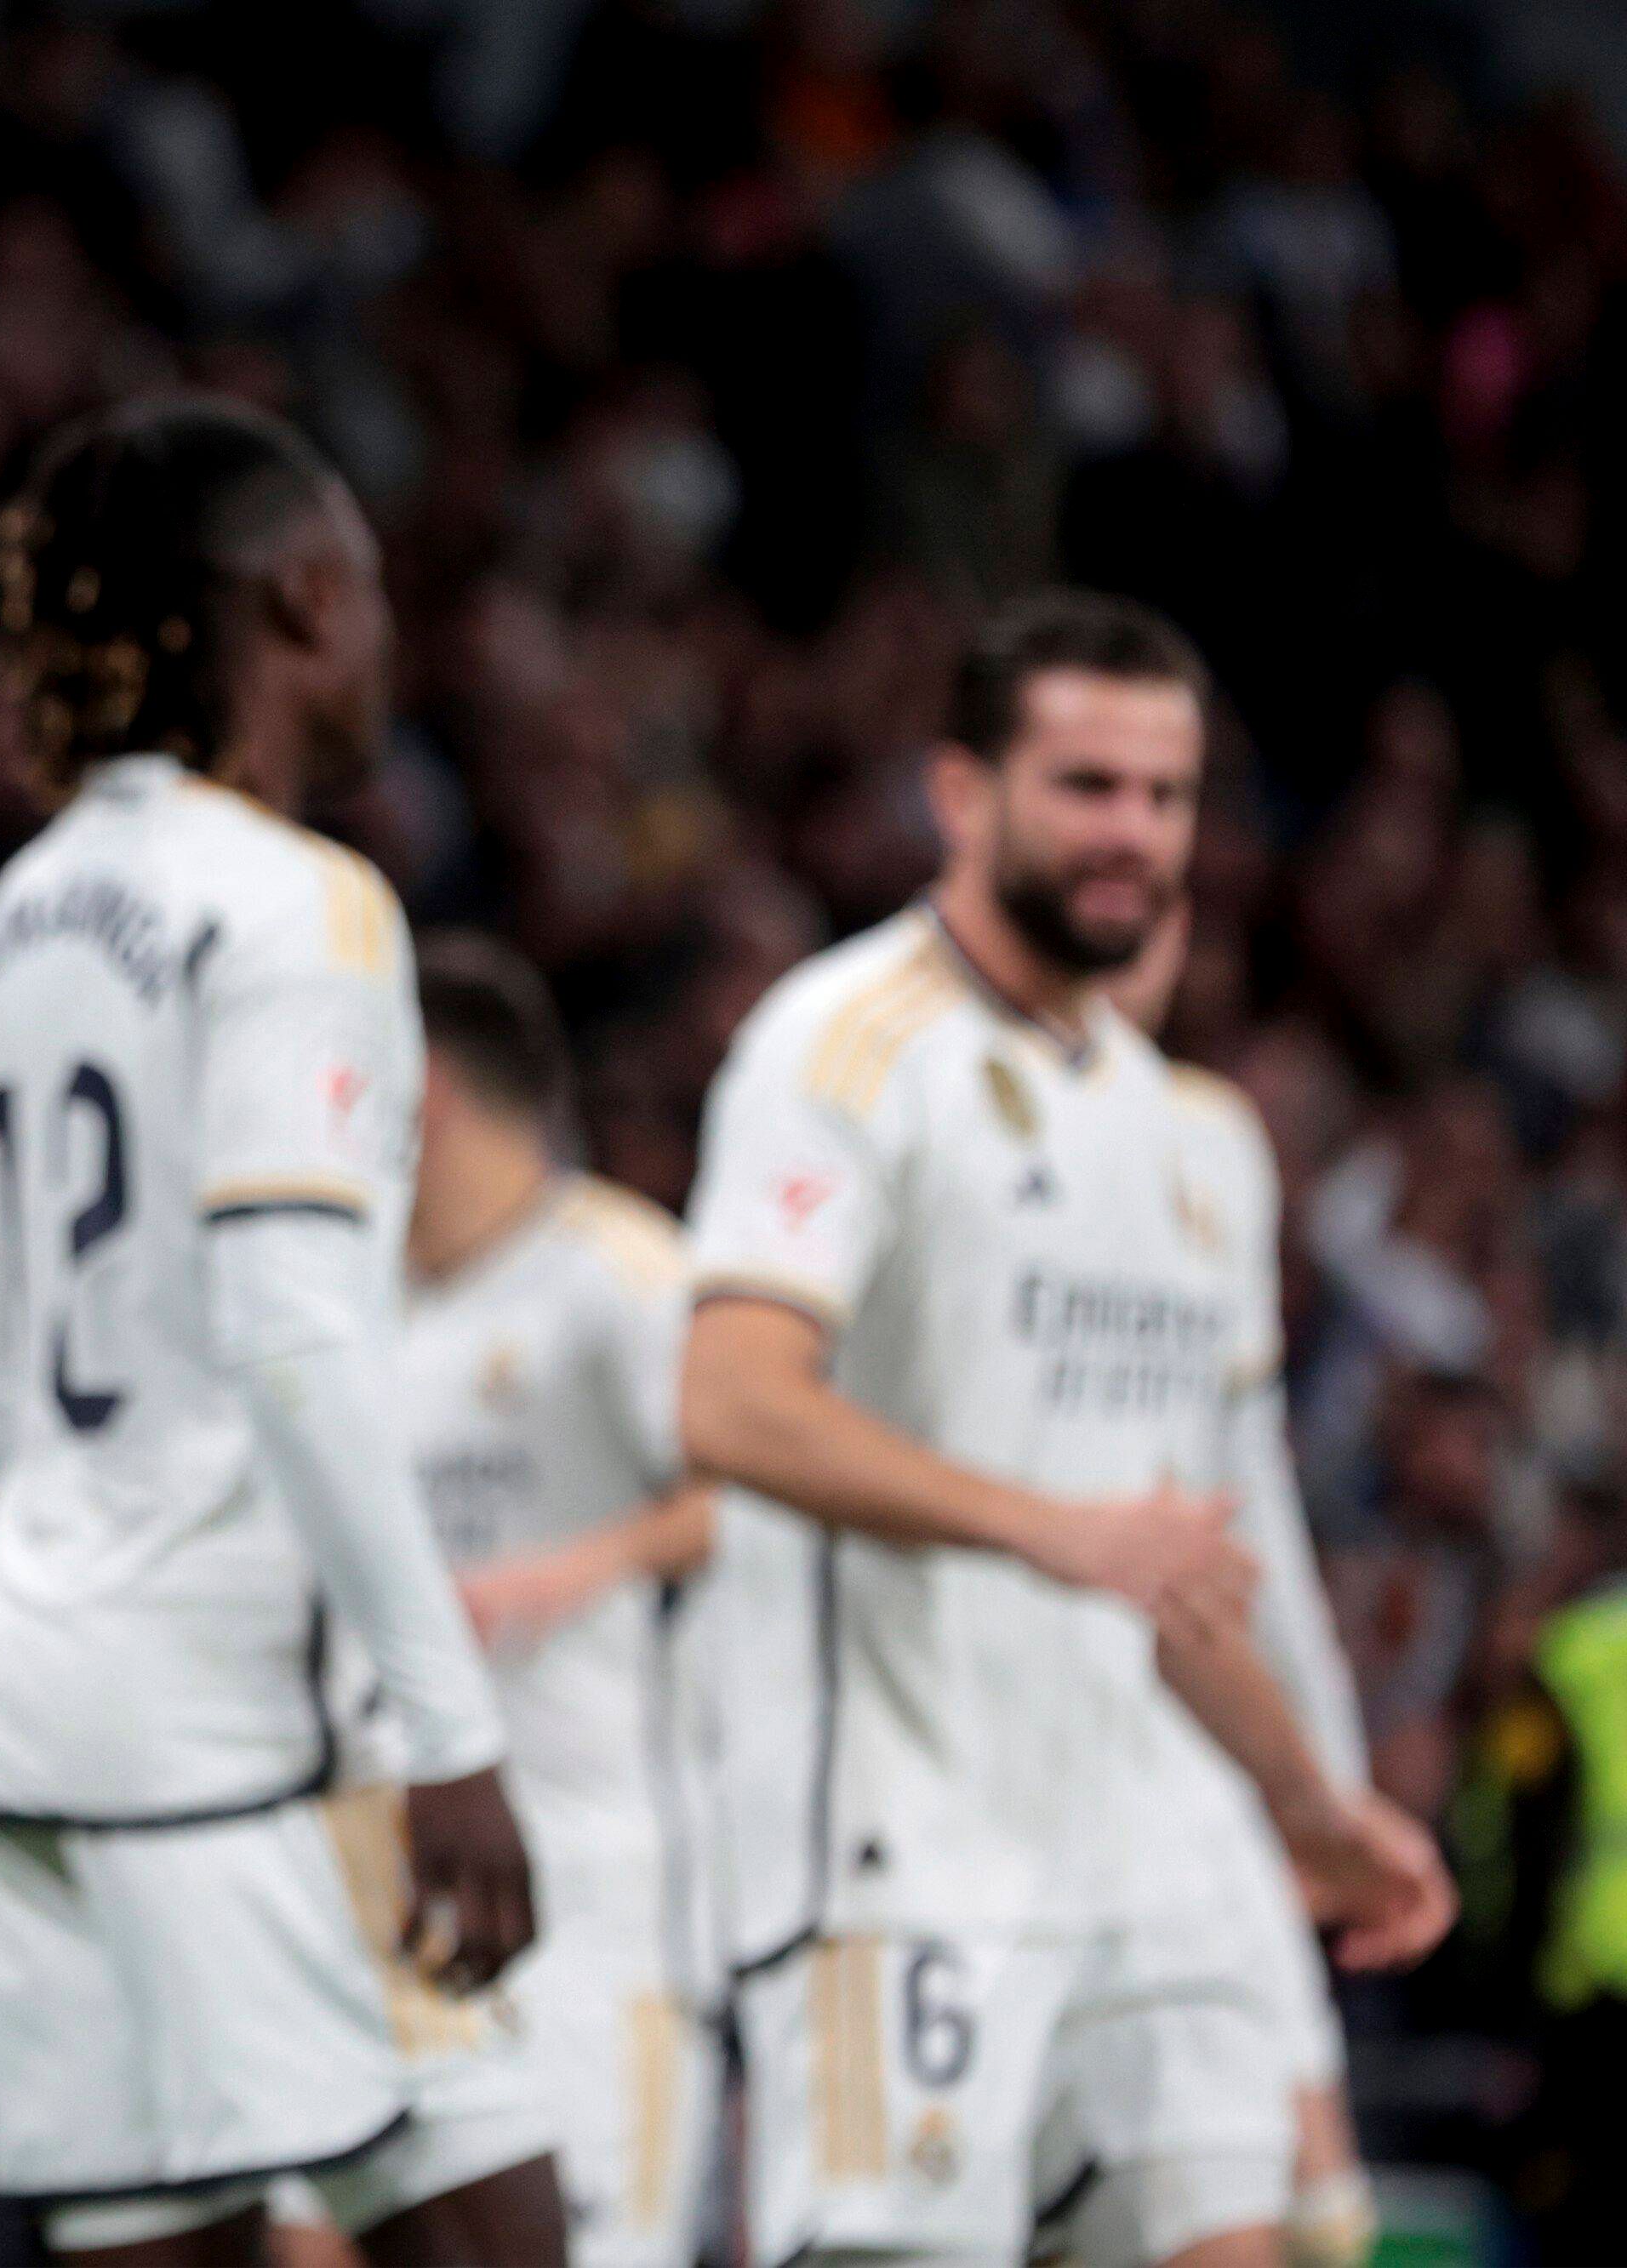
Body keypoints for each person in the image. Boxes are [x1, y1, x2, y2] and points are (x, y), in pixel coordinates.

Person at [676, 590, 1455, 2268]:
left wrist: (1300, 1800)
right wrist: (1051, 1528)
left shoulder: (1168, 1128)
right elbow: (729, 1398)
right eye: (1085, 787)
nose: (1133, 835)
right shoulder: (842, 1044)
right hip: (895, 1855)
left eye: (1165, 796)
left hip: (1133, 1844)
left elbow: (1169, 1552)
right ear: (961, 795)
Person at [0, 396, 562, 2267]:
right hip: (234, 1731)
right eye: (363, 591)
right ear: (297, 599)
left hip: (24, 1699)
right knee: (494, 2227)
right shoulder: (299, 901)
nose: (380, 639)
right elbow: (293, 1334)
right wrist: (444, 1728)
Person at [393, 936, 722, 2268]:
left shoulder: (625, 1270)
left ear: (421, 1090)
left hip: (597, 1881)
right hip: (394, 1876)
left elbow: (755, 1487)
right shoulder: (358, 1301)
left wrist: (562, 1572)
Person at [1082, 911, 1380, 2268]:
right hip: (1013, 1767)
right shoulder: (917, 1105)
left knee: (1323, 2217)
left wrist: (1325, 1780)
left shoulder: (1213, 1142)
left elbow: (1249, 1495)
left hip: (1208, 1774)